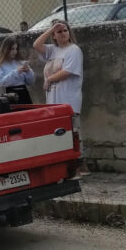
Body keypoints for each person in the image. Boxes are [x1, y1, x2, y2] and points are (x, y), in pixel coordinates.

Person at [33, 20, 86, 175]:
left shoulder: (74, 50)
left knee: (73, 132)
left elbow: (67, 71)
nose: (63, 34)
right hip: (53, 101)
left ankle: (78, 165)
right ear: (54, 36)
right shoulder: (52, 50)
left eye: (65, 30)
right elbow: (37, 45)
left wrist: (49, 79)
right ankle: (64, 166)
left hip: (68, 99)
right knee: (59, 134)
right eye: (59, 32)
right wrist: (50, 30)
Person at [0, 34, 35, 104]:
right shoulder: (0, 65)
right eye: (12, 49)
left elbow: (30, 82)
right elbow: (1, 83)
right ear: (6, 49)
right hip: (10, 95)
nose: (15, 52)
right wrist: (16, 72)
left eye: (16, 49)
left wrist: (29, 72)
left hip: (24, 94)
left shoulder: (20, 62)